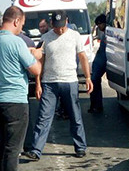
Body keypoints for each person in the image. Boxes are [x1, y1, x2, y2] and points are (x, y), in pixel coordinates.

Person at [0, 6, 42, 171]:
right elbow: (35, 69)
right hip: (15, 101)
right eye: (22, 25)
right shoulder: (16, 42)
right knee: (13, 149)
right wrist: (36, 56)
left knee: (3, 146)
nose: (21, 29)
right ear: (16, 21)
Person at [22, 10, 93, 161]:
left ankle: (80, 146)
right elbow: (39, 61)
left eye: (61, 26)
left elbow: (82, 57)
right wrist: (38, 83)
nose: (59, 29)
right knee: (44, 117)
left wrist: (87, 77)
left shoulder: (75, 36)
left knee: (75, 115)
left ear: (66, 21)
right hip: (49, 84)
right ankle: (36, 150)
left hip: (70, 82)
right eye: (56, 26)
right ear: (51, 24)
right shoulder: (46, 38)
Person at [88, 14, 107, 113]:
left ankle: (96, 105)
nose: (99, 27)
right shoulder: (105, 34)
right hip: (100, 63)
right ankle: (96, 105)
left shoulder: (107, 34)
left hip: (101, 63)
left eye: (99, 24)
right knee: (95, 82)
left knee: (94, 82)